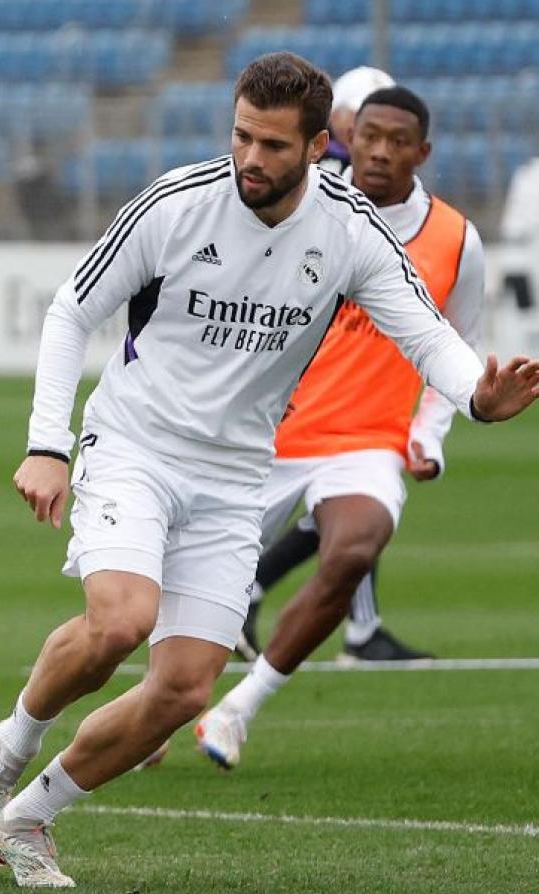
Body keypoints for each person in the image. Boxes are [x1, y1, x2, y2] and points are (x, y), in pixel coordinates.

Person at [0, 52, 539, 889]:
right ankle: (5, 751)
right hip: (136, 446)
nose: (251, 159)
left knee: (185, 688)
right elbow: (73, 309)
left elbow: (424, 330)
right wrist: (48, 443)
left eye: (272, 146)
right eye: (240, 137)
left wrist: (476, 397)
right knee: (120, 621)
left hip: (233, 476)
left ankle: (31, 818)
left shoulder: (347, 229)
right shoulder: (178, 203)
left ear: (317, 147)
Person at [196, 87, 484, 768]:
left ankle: (240, 708)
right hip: (264, 434)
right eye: (370, 134)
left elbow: (459, 346)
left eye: (398, 140)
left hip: (365, 441)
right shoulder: (299, 204)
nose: (381, 150)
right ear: (347, 139)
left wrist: (429, 433)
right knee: (171, 593)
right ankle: (158, 702)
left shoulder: (454, 238)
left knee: (354, 549)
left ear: (423, 152)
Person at [318, 65, 393, 177]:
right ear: (334, 114)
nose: (377, 123)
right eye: (362, 114)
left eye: (387, 116)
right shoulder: (309, 158)